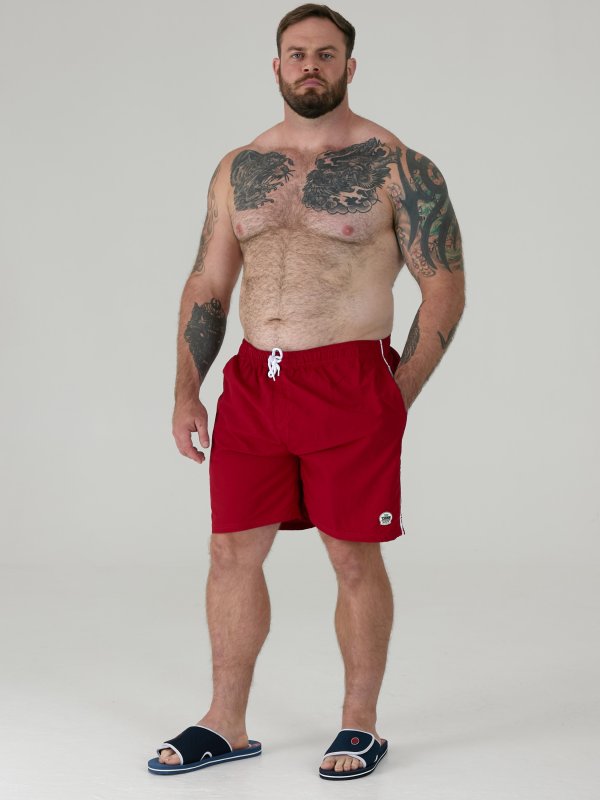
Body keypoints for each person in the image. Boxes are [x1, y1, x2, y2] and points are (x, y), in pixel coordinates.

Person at [147, 2, 465, 781]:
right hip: (255, 382)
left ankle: (360, 725)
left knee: (352, 557)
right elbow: (208, 285)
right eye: (297, 53)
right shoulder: (239, 168)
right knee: (230, 550)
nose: (310, 65)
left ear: (350, 67)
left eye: (326, 54)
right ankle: (225, 722)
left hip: (350, 380)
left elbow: (444, 290)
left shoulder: (400, 167)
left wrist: (396, 393)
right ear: (277, 66)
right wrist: (187, 390)